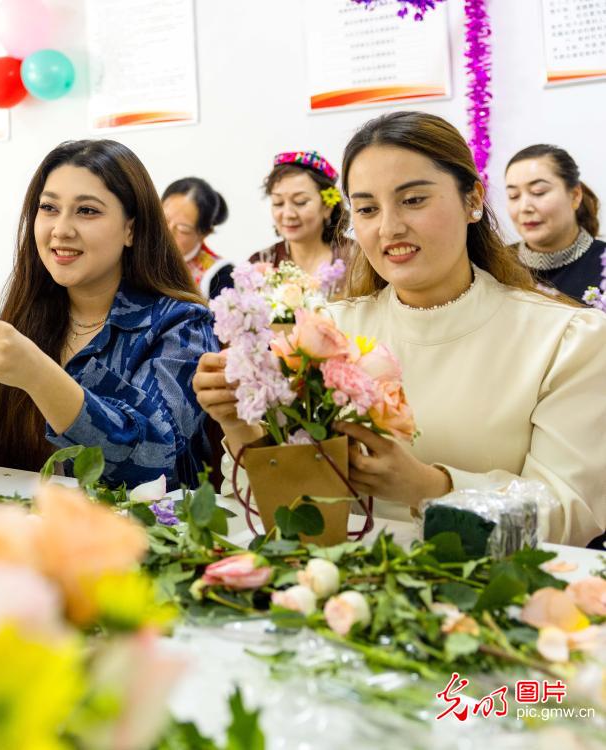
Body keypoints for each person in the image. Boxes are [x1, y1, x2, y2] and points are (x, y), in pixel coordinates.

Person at [194, 111, 606, 546]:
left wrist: (429, 488)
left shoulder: (565, 339)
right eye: (367, 209)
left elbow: (570, 511)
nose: (389, 228)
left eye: (413, 200)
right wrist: (238, 424)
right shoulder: (325, 335)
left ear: (473, 200)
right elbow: (285, 512)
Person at [0, 139, 217, 488]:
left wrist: (37, 374)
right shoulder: (26, 317)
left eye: (87, 211)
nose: (61, 229)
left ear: (131, 229)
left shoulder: (182, 325)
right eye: (49, 208)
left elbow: (151, 460)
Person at [505, 144, 604, 301]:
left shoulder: (602, 262)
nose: (524, 207)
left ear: (575, 195)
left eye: (538, 192)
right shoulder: (494, 264)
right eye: (513, 195)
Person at [252, 150, 350, 295]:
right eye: (278, 203)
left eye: (300, 202)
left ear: (327, 207)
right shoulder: (260, 264)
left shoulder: (357, 259)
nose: (288, 214)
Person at [161, 177, 232, 298]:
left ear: (204, 233)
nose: (167, 232)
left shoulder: (218, 276)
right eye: (164, 220)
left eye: (183, 229)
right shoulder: (133, 251)